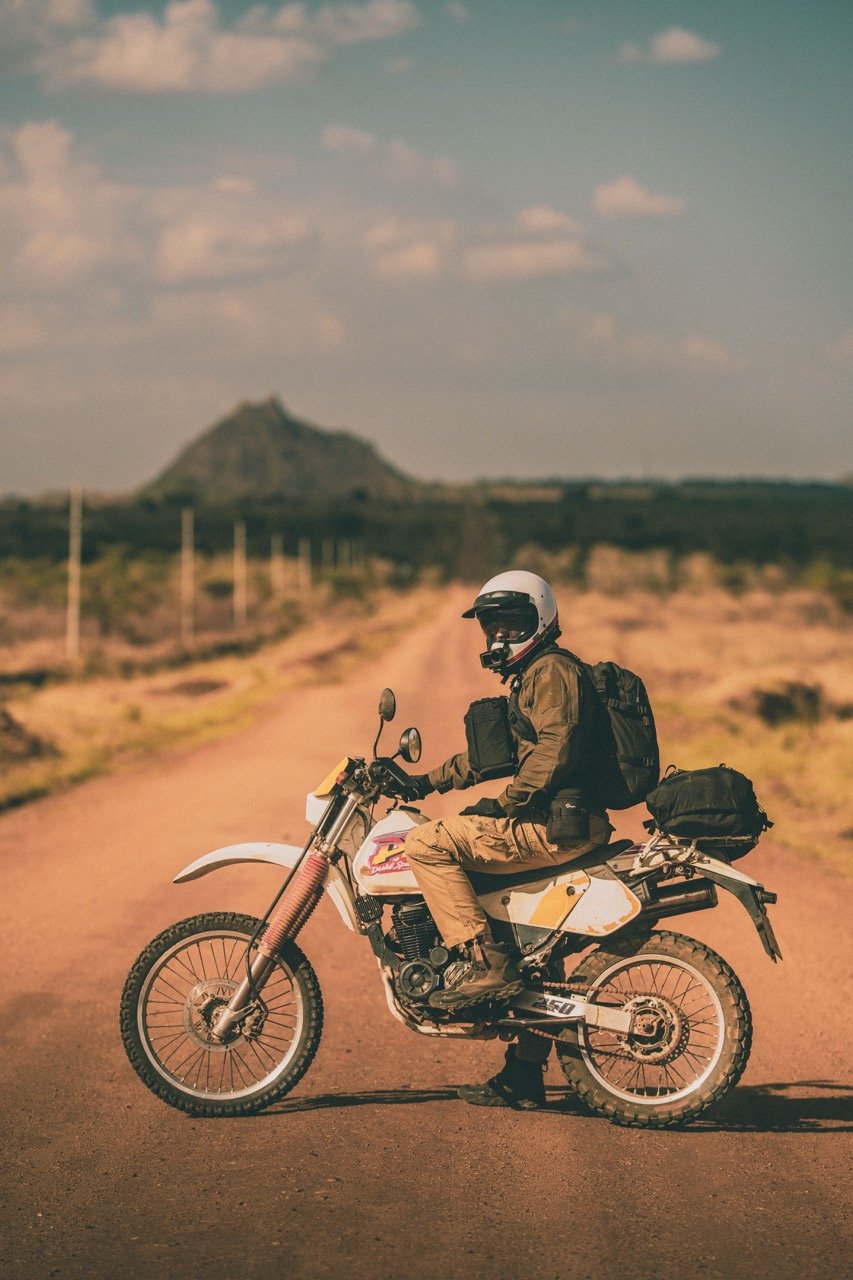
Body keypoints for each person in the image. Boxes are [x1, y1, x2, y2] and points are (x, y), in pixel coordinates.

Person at [402, 570, 612, 1109]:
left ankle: (481, 960)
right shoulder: (531, 678)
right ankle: (523, 1075)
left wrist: (507, 804)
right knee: (537, 944)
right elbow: (487, 758)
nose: (498, 636)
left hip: (556, 826)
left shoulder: (551, 672)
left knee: (427, 844)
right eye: (491, 626)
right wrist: (423, 781)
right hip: (562, 823)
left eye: (510, 623)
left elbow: (556, 747)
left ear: (540, 620)